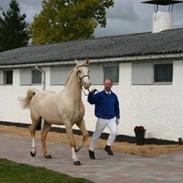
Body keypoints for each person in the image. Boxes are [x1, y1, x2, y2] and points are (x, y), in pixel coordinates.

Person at [88, 78, 120, 159]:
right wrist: (91, 94)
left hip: (111, 118)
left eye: (108, 84)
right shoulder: (99, 95)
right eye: (105, 84)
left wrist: (118, 116)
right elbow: (91, 101)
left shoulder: (114, 96)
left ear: (111, 85)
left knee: (115, 131)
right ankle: (91, 150)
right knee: (96, 135)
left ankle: (107, 146)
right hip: (101, 119)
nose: (107, 85)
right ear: (104, 84)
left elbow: (116, 107)